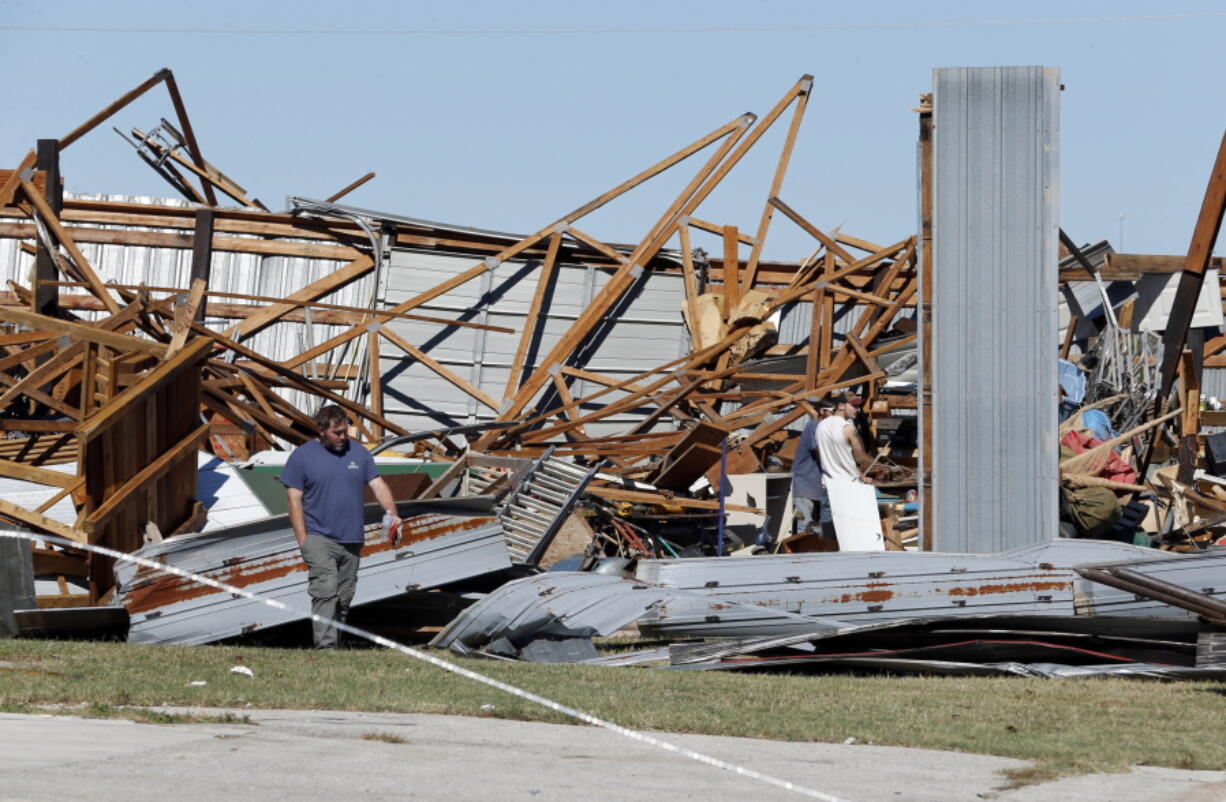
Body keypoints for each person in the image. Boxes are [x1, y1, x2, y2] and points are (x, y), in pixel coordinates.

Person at [282, 405, 401, 649]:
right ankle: (325, 650)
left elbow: (378, 486)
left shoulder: (359, 454)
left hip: (352, 538)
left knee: (344, 597)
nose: (343, 437)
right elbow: (294, 500)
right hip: (318, 537)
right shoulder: (302, 457)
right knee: (325, 590)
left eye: (345, 431)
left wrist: (393, 515)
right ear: (321, 430)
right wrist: (303, 540)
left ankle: (335, 644)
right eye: (337, 432)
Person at [791, 403, 833, 537]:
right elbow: (821, 452)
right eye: (832, 412)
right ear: (823, 411)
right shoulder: (814, 426)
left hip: (814, 490)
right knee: (805, 533)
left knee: (814, 532)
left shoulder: (821, 427)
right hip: (804, 488)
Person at [816, 392, 874, 485]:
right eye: (854, 405)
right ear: (841, 405)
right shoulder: (848, 428)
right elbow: (861, 459)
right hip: (848, 484)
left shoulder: (821, 425)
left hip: (828, 484)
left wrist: (862, 476)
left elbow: (842, 459)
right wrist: (884, 467)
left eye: (858, 406)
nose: (857, 409)